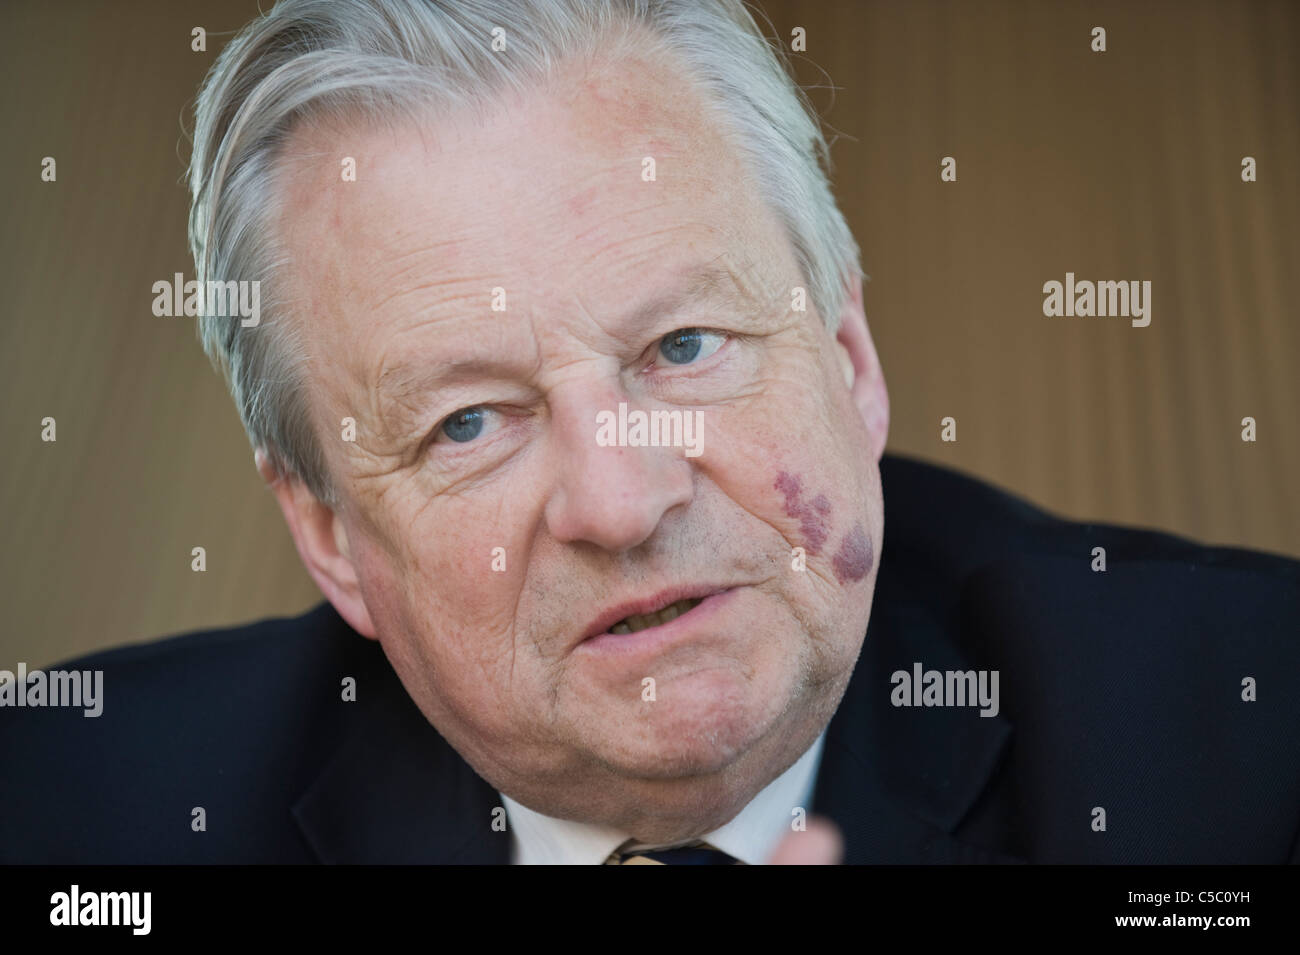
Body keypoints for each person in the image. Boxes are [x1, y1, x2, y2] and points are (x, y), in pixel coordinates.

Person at [2, 0, 1296, 864]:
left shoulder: (1254, 727)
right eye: (468, 424)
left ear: (849, 361)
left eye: (683, 349)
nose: (619, 502)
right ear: (332, 534)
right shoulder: (65, 814)